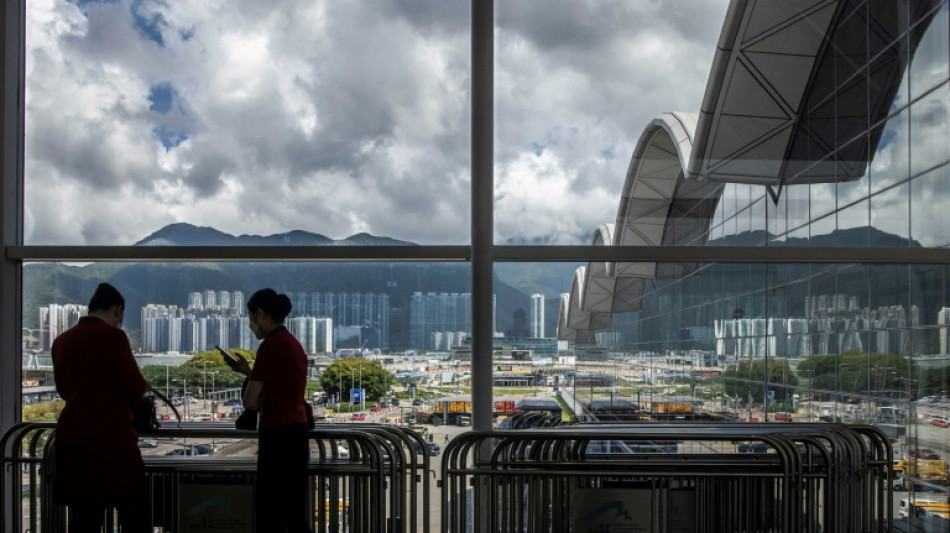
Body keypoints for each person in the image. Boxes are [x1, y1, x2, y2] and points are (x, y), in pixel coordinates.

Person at [52, 282, 150, 532]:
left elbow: (64, 390)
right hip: (112, 438)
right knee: (135, 515)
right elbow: (136, 387)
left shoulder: (61, 340)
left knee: (84, 519)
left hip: (73, 440)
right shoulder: (113, 336)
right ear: (118, 310)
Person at [225, 288, 309, 532]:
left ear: (259, 314)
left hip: (278, 437)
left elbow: (250, 402)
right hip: (296, 434)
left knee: (269, 513)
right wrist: (247, 372)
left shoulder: (271, 346)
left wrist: (250, 381)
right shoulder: (292, 344)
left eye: (250, 317)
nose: (251, 324)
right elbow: (279, 389)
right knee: (292, 512)